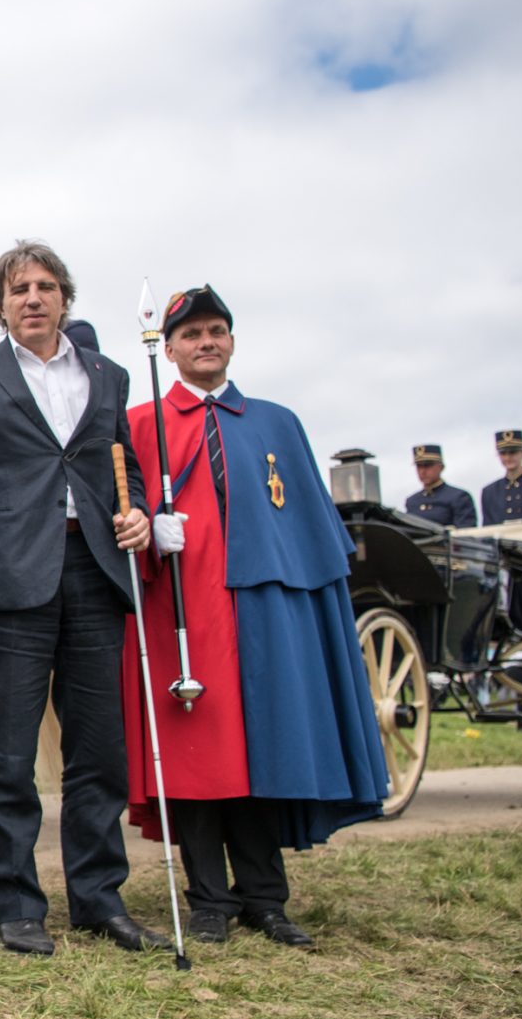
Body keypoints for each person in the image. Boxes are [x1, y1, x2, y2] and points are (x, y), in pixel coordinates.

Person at [121, 286, 390, 946]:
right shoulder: (140, 423)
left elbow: (306, 530)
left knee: (265, 753)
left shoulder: (277, 422)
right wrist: (150, 532)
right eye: (191, 335)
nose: (205, 342)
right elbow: (117, 515)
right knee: (195, 762)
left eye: (216, 331)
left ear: (232, 341)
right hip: (179, 610)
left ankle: (266, 899)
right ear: (173, 348)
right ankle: (209, 899)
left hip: (266, 615)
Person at [0, 241, 158, 958]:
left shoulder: (109, 375)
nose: (33, 297)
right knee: (5, 754)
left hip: (93, 569)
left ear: (66, 299)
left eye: (47, 286)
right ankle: (15, 905)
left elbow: (125, 469)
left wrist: (139, 513)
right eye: (19, 288)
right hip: (9, 579)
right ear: (0, 304)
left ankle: (98, 900)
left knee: (99, 753)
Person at [404, 444, 477, 528]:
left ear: (441, 467)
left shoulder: (458, 497)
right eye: (419, 466)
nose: (423, 471)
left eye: (427, 465)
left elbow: (466, 531)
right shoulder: (412, 502)